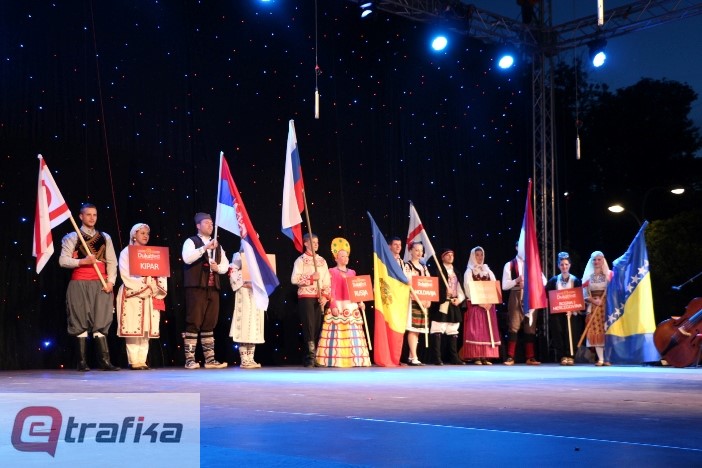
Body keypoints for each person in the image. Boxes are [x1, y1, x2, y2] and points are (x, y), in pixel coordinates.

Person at [59, 203, 120, 371]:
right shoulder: (72, 236)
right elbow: (63, 260)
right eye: (88, 214)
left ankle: (105, 362)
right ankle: (81, 362)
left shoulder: (105, 237)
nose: (92, 218)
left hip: (101, 283)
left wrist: (111, 282)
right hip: (79, 283)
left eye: (95, 214)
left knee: (102, 319)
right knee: (79, 319)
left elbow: (112, 262)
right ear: (81, 216)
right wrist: (82, 261)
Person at [116, 223, 167, 370]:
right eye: (142, 233)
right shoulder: (127, 252)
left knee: (146, 329)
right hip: (133, 293)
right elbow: (125, 273)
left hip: (150, 293)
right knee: (133, 328)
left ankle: (142, 360)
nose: (146, 236)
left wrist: (155, 286)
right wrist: (145, 285)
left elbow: (161, 271)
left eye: (147, 233)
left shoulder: (153, 253)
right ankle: (134, 361)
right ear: (134, 235)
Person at [182, 212, 229, 369]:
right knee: (194, 322)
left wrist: (218, 268)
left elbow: (225, 265)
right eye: (207, 223)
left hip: (213, 288)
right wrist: (204, 248)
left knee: (210, 323)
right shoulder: (191, 241)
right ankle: (189, 359)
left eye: (212, 223)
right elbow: (187, 258)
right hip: (196, 287)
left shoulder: (218, 245)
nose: (211, 225)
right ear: (198, 225)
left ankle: (209, 359)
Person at [315, 238, 371, 367]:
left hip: (350, 305)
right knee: (338, 332)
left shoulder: (352, 272)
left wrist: (360, 302)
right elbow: (332, 290)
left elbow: (356, 289)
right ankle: (337, 359)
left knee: (352, 332)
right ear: (336, 258)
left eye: (346, 256)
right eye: (342, 256)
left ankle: (355, 359)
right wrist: (333, 305)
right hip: (339, 305)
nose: (345, 258)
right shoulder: (332, 272)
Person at [501, 242, 546, 366]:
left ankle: (530, 357)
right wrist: (516, 280)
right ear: (516, 248)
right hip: (516, 296)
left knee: (530, 326)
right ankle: (510, 357)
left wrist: (532, 283)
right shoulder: (510, 265)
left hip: (531, 297)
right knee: (513, 326)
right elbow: (504, 285)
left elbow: (544, 281)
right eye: (521, 246)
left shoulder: (533, 264)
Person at [291, 233, 331, 367]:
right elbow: (294, 279)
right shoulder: (300, 260)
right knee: (309, 326)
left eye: (317, 242)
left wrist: (325, 296)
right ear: (306, 243)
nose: (316, 245)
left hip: (318, 298)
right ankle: (310, 357)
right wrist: (311, 278)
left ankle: (315, 356)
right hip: (306, 297)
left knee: (317, 326)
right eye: (313, 242)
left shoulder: (322, 261)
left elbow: (327, 280)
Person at [461, 246, 501, 365]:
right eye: (477, 255)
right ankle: (476, 356)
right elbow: (468, 288)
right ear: (473, 256)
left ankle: (485, 356)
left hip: (488, 305)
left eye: (481, 255)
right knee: (477, 331)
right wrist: (480, 302)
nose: (479, 257)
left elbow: (494, 286)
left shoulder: (488, 271)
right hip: (476, 304)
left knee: (487, 331)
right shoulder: (469, 271)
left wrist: (490, 302)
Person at [228, 247, 265, 369]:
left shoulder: (259, 257)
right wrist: (244, 283)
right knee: (244, 323)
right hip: (244, 292)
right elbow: (232, 270)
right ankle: (244, 359)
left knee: (254, 324)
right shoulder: (238, 256)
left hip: (256, 293)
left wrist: (257, 284)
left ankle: (251, 358)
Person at [428, 248, 465, 365]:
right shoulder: (437, 271)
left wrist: (459, 299)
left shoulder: (456, 272)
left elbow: (460, 287)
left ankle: (454, 357)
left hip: (453, 303)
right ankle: (436, 357)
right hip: (441, 303)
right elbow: (433, 286)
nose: (450, 257)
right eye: (448, 255)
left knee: (453, 330)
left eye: (452, 255)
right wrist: (444, 294)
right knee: (438, 328)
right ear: (442, 257)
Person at [545, 252, 584, 366]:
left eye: (566, 264)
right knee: (558, 332)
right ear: (558, 265)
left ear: (570, 265)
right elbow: (548, 295)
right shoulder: (554, 280)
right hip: (557, 312)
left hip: (572, 312)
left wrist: (572, 309)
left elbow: (579, 296)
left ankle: (571, 355)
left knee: (571, 332)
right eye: (562, 264)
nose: (564, 267)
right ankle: (562, 355)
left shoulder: (575, 280)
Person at [582, 251, 613, 366]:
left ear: (603, 260)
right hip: (594, 305)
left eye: (599, 259)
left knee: (607, 330)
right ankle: (600, 358)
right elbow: (584, 293)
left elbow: (614, 291)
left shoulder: (609, 275)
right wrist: (594, 300)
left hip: (607, 305)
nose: (596, 262)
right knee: (596, 330)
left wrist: (606, 299)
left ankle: (608, 358)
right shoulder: (587, 276)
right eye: (594, 260)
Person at [404, 241, 431, 366]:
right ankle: (414, 356)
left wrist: (428, 299)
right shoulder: (407, 266)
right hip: (413, 300)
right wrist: (418, 298)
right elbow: (408, 284)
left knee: (418, 329)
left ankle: (411, 356)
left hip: (423, 301)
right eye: (416, 250)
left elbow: (429, 284)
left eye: (421, 250)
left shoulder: (424, 267)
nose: (419, 253)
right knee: (413, 328)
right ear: (410, 251)